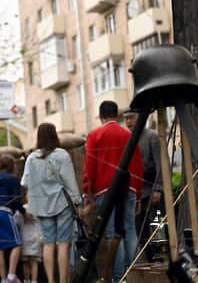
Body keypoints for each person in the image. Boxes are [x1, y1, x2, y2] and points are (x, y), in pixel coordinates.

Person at [83, 101, 143, 282]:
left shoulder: (94, 135)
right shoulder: (128, 134)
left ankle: (118, 277)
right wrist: (138, 195)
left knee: (113, 234)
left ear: (101, 117)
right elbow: (138, 166)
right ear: (117, 115)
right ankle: (137, 273)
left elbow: (89, 165)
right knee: (130, 231)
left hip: (104, 190)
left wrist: (88, 192)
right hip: (130, 188)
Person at [21, 123, 80, 283]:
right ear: (55, 135)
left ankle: (50, 280)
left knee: (47, 243)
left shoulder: (32, 157)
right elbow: (70, 182)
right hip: (62, 204)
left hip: (41, 207)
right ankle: (62, 280)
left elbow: (25, 182)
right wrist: (77, 202)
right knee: (63, 243)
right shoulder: (62, 155)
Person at [121, 106, 162, 261]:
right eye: (126, 119)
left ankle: (162, 259)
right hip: (135, 194)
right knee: (140, 232)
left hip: (152, 191)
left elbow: (161, 165)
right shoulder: (127, 138)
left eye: (131, 117)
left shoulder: (152, 136)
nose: (128, 121)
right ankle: (150, 260)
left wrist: (158, 189)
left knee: (158, 229)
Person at [0, 154, 24, 283]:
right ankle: (12, 276)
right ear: (12, 166)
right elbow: (16, 200)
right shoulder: (12, 178)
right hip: (4, 212)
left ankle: (3, 279)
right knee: (17, 244)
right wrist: (23, 212)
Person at [20, 203, 41, 283]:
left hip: (25, 236)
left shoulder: (23, 208)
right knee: (33, 261)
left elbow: (17, 220)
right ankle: (33, 281)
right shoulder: (38, 206)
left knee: (26, 261)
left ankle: (27, 280)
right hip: (35, 236)